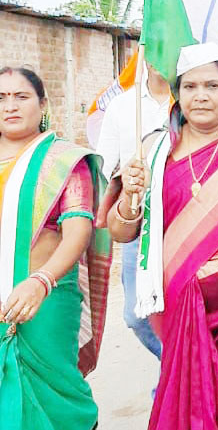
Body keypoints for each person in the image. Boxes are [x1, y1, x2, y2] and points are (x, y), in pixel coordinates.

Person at [106, 43, 218, 430]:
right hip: (176, 303)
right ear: (177, 94)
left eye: (212, 85)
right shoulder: (153, 150)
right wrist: (129, 196)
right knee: (186, 406)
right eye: (190, 86)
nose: (200, 95)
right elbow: (121, 230)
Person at [0, 66, 110, 430]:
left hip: (43, 299)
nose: (10, 106)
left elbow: (77, 230)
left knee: (59, 402)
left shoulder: (64, 161)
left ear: (42, 104)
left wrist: (41, 281)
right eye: (1, 98)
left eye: (21, 96)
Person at [96, 65, 170, 364]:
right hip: (138, 224)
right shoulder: (123, 106)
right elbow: (102, 166)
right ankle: (177, 370)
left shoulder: (193, 97)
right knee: (136, 316)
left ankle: (180, 386)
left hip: (185, 219)